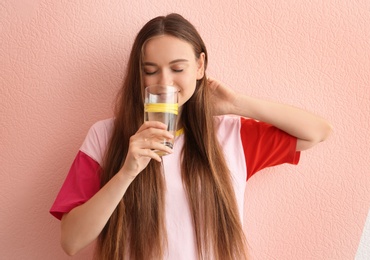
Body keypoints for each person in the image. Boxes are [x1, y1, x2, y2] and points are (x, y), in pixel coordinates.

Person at [50, 13, 332, 260]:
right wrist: (127, 172)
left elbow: (317, 132)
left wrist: (237, 104)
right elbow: (71, 241)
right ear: (139, 75)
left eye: (177, 68)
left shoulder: (228, 134)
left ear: (199, 66)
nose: (164, 82)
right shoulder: (105, 136)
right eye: (150, 70)